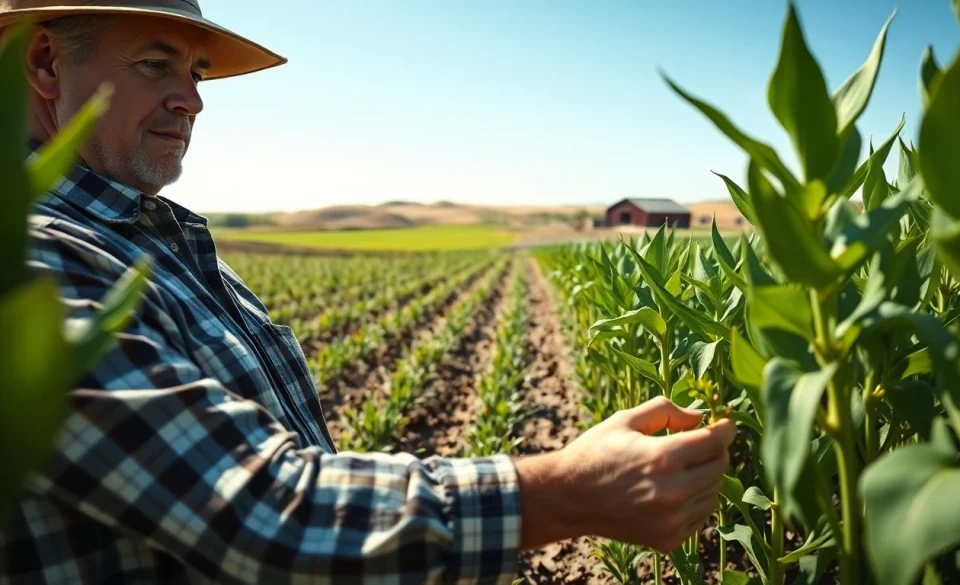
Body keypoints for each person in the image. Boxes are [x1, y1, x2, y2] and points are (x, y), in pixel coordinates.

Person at [0, 1, 736, 583]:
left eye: (193, 70)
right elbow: (257, 513)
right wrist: (566, 490)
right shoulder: (25, 264)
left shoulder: (157, 240)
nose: (192, 100)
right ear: (44, 63)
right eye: (157, 65)